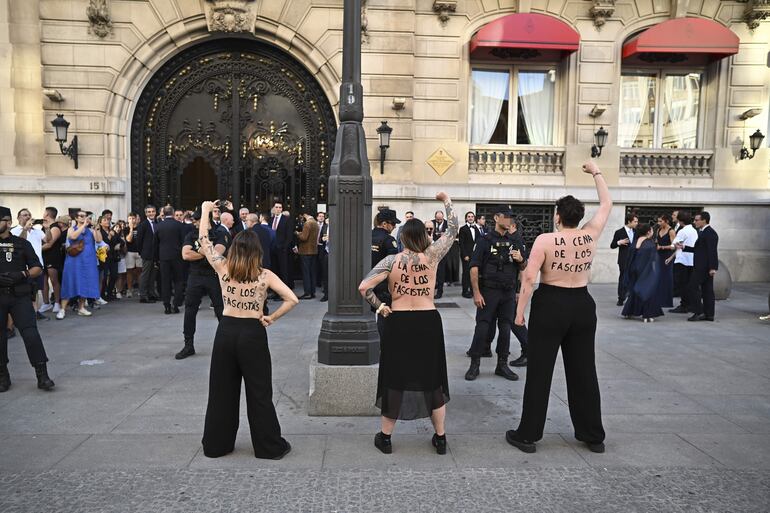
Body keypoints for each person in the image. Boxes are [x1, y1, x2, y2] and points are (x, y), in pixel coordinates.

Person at [507, 160, 611, 454]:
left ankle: (527, 435)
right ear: (577, 218)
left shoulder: (546, 240)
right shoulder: (589, 235)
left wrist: (519, 313)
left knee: (540, 371)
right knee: (584, 371)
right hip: (581, 304)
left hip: (551, 303)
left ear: (557, 217)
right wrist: (596, 172)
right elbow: (606, 204)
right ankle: (593, 435)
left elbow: (529, 278)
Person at [358, 192, 457, 455]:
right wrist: (445, 200)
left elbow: (364, 286)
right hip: (427, 321)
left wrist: (379, 306)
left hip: (399, 322)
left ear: (402, 238)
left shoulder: (392, 261)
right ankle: (441, 438)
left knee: (395, 378)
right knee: (432, 379)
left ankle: (386, 438)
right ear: (424, 238)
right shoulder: (433, 256)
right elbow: (454, 228)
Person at [197, 200, 298, 460]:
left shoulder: (223, 268)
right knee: (259, 392)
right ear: (257, 251)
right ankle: (268, 446)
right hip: (253, 331)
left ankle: (217, 445)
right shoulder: (264, 275)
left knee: (221, 391)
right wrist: (271, 317)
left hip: (226, 330)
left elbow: (204, 242)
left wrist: (206, 211)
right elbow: (292, 299)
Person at [464, 206, 526, 382]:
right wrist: (476, 293)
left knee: (505, 328)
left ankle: (502, 364)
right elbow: (474, 267)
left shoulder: (515, 240)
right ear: (497, 218)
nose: (509, 220)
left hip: (507, 292)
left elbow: (523, 267)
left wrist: (520, 260)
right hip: (489, 291)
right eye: (506, 217)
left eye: (511, 218)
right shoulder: (484, 240)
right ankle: (475, 364)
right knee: (482, 327)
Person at [0, 205, 55, 392]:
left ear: (7, 222)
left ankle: (42, 375)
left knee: (31, 334)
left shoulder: (21, 243)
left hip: (19, 296)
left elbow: (37, 267)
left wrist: (22, 274)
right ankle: (2, 375)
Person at [175, 209, 228, 360]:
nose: (195, 223)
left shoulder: (219, 234)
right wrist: (205, 251)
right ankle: (188, 345)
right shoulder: (191, 234)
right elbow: (185, 254)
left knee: (221, 310)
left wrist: (199, 250)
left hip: (214, 276)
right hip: (195, 276)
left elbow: (217, 254)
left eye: (198, 220)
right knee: (190, 310)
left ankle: (225, 346)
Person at [57, 210, 102, 319]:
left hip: (88, 261)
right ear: (76, 218)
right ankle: (62, 309)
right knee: (70, 282)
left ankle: (81, 307)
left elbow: (99, 240)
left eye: (85, 216)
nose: (84, 218)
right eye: (81, 216)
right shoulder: (71, 229)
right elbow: (73, 237)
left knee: (85, 283)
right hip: (74, 261)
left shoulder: (90, 231)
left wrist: (96, 228)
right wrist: (84, 226)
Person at [621, 223, 663, 322]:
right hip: (646, 271)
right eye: (652, 230)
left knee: (635, 291)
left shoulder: (635, 242)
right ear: (648, 232)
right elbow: (653, 260)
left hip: (634, 270)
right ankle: (647, 314)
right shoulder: (650, 244)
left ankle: (629, 312)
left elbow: (630, 259)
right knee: (648, 291)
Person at [686, 212, 719, 322]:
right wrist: (684, 247)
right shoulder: (703, 232)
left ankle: (699, 312)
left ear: (704, 220)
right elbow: (699, 249)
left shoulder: (710, 233)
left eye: (696, 220)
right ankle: (708, 314)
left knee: (693, 287)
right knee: (707, 290)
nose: (695, 222)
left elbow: (712, 251)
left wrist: (713, 267)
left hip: (704, 267)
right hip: (702, 266)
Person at [371, 209, 400, 333]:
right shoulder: (389, 240)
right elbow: (394, 265)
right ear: (384, 224)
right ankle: (382, 344)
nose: (394, 227)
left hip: (366, 282)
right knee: (384, 314)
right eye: (393, 224)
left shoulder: (365, 236)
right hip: (383, 285)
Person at [155, 205, 186, 314]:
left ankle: (166, 305)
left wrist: (157, 258)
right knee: (178, 281)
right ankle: (176, 304)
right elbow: (183, 241)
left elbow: (156, 243)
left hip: (164, 257)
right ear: (173, 213)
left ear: (164, 213)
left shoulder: (158, 226)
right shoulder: (179, 225)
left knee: (165, 281)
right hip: (177, 257)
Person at [669, 211, 698, 314]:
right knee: (689, 284)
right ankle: (689, 304)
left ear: (680, 221)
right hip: (691, 260)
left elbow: (673, 245)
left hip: (682, 260)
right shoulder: (694, 230)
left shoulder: (682, 231)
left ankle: (684, 305)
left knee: (682, 284)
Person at [610, 213, 638, 306]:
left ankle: (631, 297)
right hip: (624, 259)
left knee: (633, 278)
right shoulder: (619, 232)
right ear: (629, 221)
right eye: (635, 221)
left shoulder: (636, 232)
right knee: (623, 278)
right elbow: (612, 245)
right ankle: (621, 298)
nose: (636, 223)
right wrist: (619, 242)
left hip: (634, 259)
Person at [40, 207, 64, 314]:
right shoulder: (44, 226)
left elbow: (49, 244)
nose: (43, 214)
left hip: (52, 257)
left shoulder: (55, 227)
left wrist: (35, 249)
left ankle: (57, 303)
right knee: (43, 281)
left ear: (47, 214)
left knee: (54, 280)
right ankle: (46, 303)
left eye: (44, 212)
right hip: (42, 257)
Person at [135, 205, 159, 303]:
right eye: (149, 212)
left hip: (156, 254)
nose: (151, 213)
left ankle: (151, 293)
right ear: (146, 214)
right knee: (145, 275)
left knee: (153, 275)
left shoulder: (158, 223)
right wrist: (142, 252)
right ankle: (143, 295)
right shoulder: (143, 225)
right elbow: (139, 241)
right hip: (146, 253)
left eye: (153, 211)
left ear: (155, 212)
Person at [654, 214, 677, 309]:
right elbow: (656, 241)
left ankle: (666, 301)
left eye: (661, 221)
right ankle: (658, 299)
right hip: (658, 256)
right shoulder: (658, 230)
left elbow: (674, 246)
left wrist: (662, 247)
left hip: (668, 256)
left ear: (666, 221)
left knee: (667, 278)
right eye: (658, 221)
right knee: (658, 277)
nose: (659, 223)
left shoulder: (671, 231)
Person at [270, 202, 294, 290]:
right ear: (274, 208)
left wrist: (284, 247)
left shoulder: (287, 219)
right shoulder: (271, 219)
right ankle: (275, 291)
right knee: (274, 271)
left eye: (280, 207)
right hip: (272, 249)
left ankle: (283, 291)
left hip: (282, 250)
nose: (278, 209)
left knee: (283, 271)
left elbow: (289, 235)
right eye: (276, 207)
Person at [295, 212, 319, 299]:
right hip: (313, 251)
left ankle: (307, 293)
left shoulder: (307, 223)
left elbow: (304, 237)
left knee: (306, 273)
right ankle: (312, 292)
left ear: (305, 215)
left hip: (305, 251)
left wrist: (298, 233)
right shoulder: (315, 223)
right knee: (312, 272)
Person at [458, 211, 480, 298]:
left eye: (472, 216)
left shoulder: (476, 228)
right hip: (466, 255)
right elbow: (461, 243)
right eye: (469, 216)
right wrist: (465, 255)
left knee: (474, 273)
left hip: (475, 255)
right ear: (466, 218)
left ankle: (472, 291)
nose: (470, 218)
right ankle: (464, 291)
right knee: (466, 273)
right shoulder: (463, 229)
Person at [432, 210, 449, 298]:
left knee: (441, 272)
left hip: (443, 251)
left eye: (440, 219)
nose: (438, 221)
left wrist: (445, 235)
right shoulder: (431, 223)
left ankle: (440, 291)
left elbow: (454, 235)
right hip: (433, 251)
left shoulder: (448, 224)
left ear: (443, 217)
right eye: (437, 219)